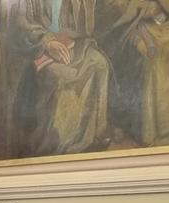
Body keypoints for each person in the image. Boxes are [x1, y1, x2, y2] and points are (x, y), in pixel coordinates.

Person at [8, 0, 111, 157]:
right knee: (62, 77)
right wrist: (47, 41)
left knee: (100, 63)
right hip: (36, 47)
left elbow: (85, 28)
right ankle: (58, 143)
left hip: (72, 44)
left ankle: (90, 137)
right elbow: (20, 22)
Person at [96, 0, 169, 146]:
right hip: (126, 25)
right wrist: (141, 7)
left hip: (160, 13)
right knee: (147, 53)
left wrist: (159, 7)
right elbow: (107, 8)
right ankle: (149, 128)